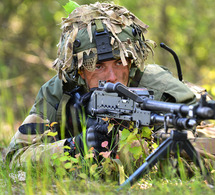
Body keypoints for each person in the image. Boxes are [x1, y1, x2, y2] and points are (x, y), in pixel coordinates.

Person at [5, 2, 198, 168]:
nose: (112, 77)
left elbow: (196, 153)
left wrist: (129, 146)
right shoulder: (59, 92)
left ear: (131, 62)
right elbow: (16, 158)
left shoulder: (158, 88)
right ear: (79, 70)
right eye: (97, 66)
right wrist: (73, 147)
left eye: (119, 62)